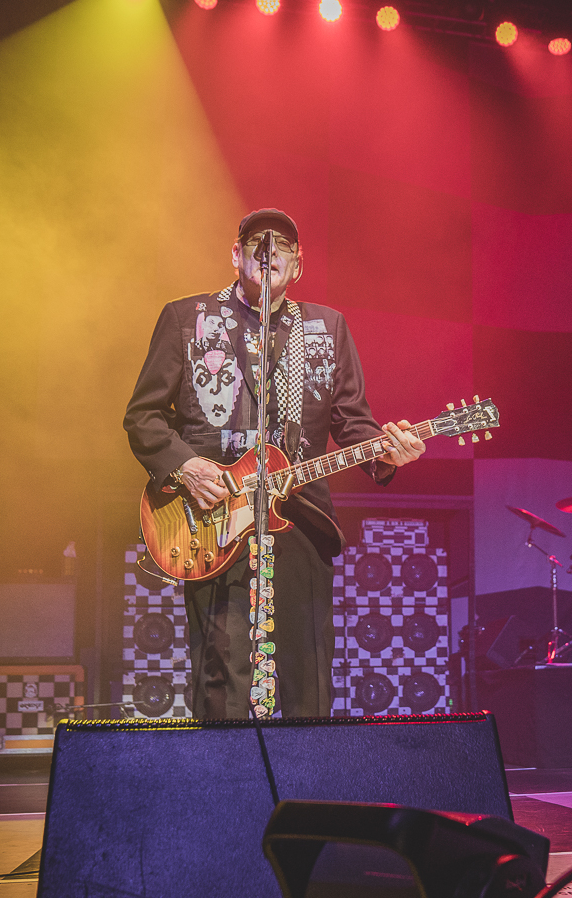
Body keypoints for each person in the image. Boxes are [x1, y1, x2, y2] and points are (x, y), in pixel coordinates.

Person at [124, 208, 425, 720]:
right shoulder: (187, 318)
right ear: (236, 254)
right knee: (223, 676)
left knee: (307, 674)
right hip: (212, 519)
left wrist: (387, 454)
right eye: (256, 244)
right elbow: (144, 418)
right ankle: (227, 791)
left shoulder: (327, 328)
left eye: (282, 245)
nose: (269, 253)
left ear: (298, 264)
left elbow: (354, 424)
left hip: (300, 520)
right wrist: (187, 467)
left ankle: (304, 793)